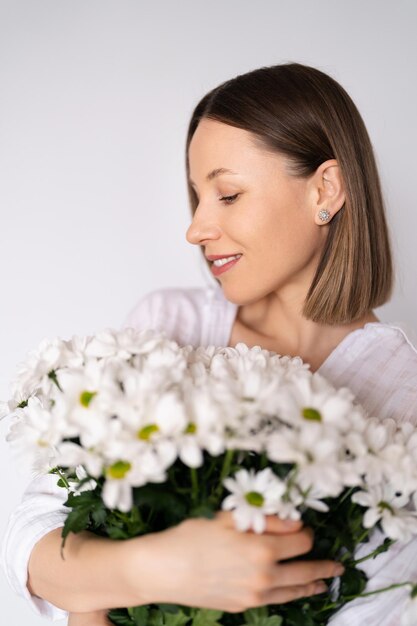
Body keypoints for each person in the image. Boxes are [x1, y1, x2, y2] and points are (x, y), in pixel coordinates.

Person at [2, 62, 417, 626]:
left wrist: (102, 576)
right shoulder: (167, 323)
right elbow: (37, 538)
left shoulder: (402, 392)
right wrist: (156, 568)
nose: (196, 229)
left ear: (326, 188)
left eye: (227, 194)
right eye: (197, 197)